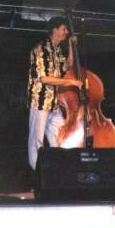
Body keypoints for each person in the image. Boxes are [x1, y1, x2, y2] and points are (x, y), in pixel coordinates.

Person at [27, 16, 82, 170]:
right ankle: (37, 174)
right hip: (40, 101)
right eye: (64, 29)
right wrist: (70, 82)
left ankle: (58, 173)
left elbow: (68, 66)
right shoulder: (41, 49)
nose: (66, 32)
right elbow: (44, 78)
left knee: (60, 138)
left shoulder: (57, 50)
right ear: (55, 29)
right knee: (36, 140)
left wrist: (71, 46)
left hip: (55, 103)